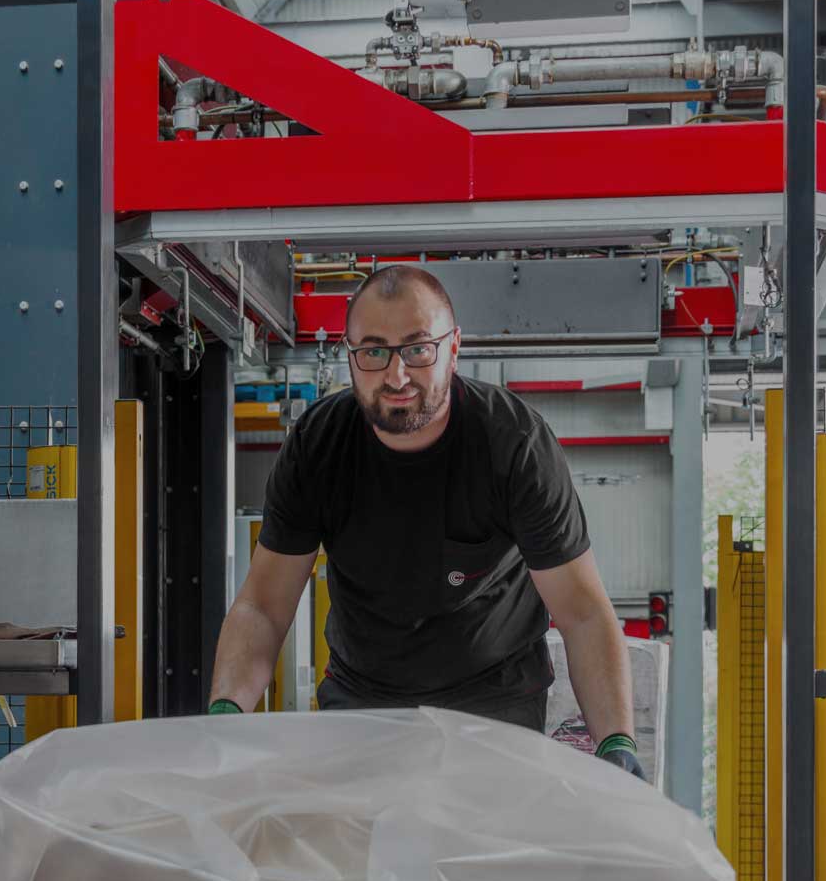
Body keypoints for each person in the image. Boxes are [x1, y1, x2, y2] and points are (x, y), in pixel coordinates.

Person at [206, 264, 645, 779]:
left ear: (454, 348)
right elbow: (264, 606)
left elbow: (583, 612)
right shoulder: (318, 447)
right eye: (373, 351)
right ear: (350, 358)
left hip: (495, 702)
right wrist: (223, 718)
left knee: (478, 853)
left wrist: (617, 742)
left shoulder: (514, 446)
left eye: (418, 349)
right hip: (364, 700)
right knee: (361, 853)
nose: (396, 376)